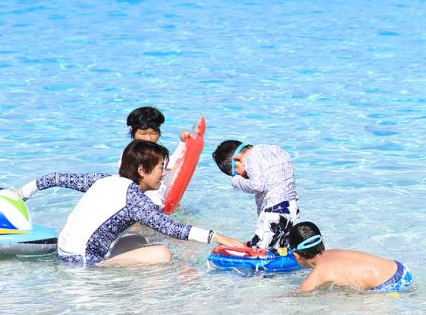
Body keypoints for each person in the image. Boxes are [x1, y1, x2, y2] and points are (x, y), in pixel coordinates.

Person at [15, 140, 242, 266]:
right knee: (162, 254)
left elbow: (55, 178)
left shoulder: (104, 180)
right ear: (142, 170)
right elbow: (172, 228)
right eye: (161, 168)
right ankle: (107, 271)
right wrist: (217, 237)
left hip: (64, 251)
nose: (164, 174)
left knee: (139, 240)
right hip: (81, 261)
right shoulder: (134, 199)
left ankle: (107, 262)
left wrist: (21, 194)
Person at [211, 139, 298, 253]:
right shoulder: (273, 149)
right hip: (292, 207)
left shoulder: (250, 159)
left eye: (236, 173)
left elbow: (257, 185)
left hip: (274, 211)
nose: (243, 176)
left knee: (262, 251)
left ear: (237, 160)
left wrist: (236, 181)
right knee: (283, 247)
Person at [287, 221, 412, 293]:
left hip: (389, 287)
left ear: (296, 255)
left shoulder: (318, 273)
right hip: (400, 269)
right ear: (323, 242)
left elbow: (299, 295)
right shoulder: (334, 253)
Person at [125, 106, 194, 210]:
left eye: (153, 133)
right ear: (132, 132)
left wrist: (183, 143)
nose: (148, 138)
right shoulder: (130, 155)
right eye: (143, 134)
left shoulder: (157, 152)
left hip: (159, 203)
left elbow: (173, 164)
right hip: (142, 205)